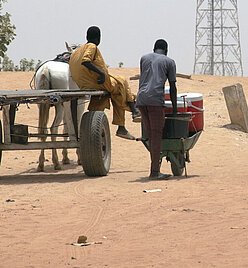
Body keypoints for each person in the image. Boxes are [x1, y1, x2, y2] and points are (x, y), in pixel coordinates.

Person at [69, 26, 140, 140]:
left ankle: (96, 121)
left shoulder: (76, 51)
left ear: (86, 37)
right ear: (99, 38)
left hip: (84, 83)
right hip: (96, 81)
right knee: (121, 83)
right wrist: (101, 73)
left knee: (102, 98)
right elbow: (86, 61)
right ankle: (132, 110)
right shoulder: (92, 47)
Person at [136, 39, 178, 180]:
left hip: (141, 100)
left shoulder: (144, 58)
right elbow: (172, 87)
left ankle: (154, 168)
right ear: (166, 50)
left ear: (154, 49)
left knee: (150, 134)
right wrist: (175, 110)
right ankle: (154, 172)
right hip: (155, 100)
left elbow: (145, 78)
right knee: (156, 135)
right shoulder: (169, 62)